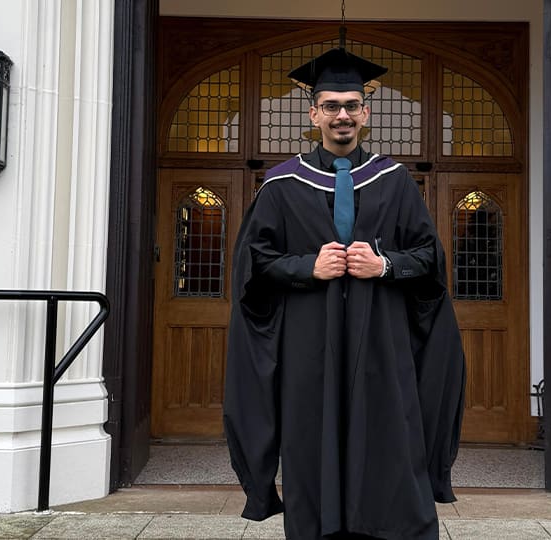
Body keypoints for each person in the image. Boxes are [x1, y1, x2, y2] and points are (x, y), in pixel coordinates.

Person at [223, 46, 466, 540]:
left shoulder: (395, 183)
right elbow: (254, 265)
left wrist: (385, 264)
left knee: (390, 436)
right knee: (312, 439)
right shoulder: (281, 186)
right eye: (331, 105)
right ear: (313, 113)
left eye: (352, 105)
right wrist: (306, 266)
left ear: (366, 113)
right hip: (309, 343)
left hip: (382, 341)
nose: (342, 115)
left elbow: (429, 259)